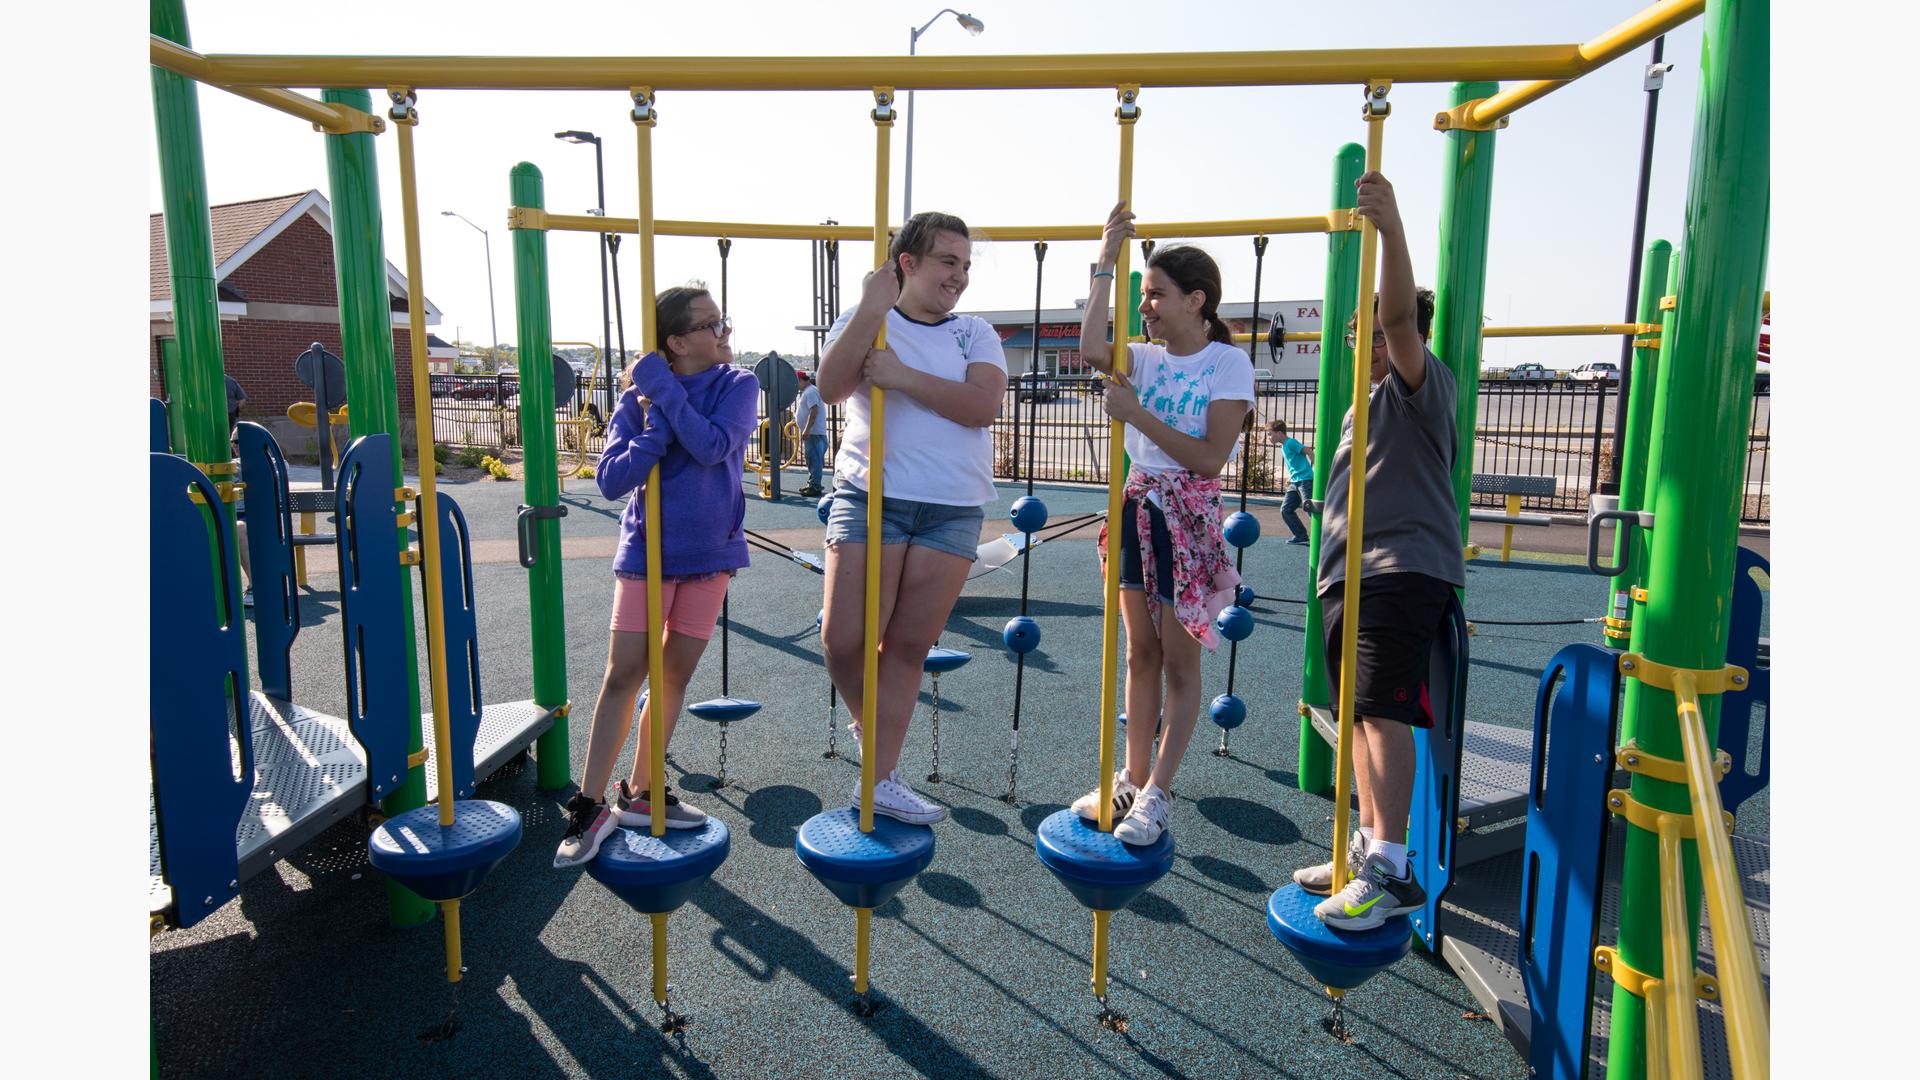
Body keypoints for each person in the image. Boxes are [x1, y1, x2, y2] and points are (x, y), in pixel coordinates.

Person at [1290, 171, 1464, 932]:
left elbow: (1397, 317)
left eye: (1372, 332)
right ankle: (1368, 848)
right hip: (1349, 576)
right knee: (1357, 714)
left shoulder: (1416, 387)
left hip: (1399, 570)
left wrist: (1390, 229)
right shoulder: (1362, 405)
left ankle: (1392, 867)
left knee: (1382, 710)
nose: (1360, 341)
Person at [554, 284, 759, 867]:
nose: (723, 332)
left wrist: (664, 393)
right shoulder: (636, 400)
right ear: (677, 341)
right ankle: (590, 804)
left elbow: (713, 446)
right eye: (711, 324)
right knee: (624, 674)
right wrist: (652, 433)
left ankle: (642, 791)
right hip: (648, 555)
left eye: (722, 320)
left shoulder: (737, 385)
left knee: (672, 677)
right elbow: (611, 480)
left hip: (710, 555)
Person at [815, 211, 1007, 825]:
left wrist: (901, 376)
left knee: (905, 647)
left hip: (952, 505)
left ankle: (879, 779)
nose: (959, 276)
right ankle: (876, 735)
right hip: (873, 494)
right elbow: (829, 387)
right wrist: (873, 309)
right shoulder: (866, 319)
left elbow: (981, 406)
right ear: (909, 262)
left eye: (965, 265)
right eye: (948, 261)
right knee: (842, 639)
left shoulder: (974, 332)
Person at [1073, 202, 1252, 846]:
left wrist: (1137, 415)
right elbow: (1090, 347)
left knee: (1179, 659)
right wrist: (1106, 259)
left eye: (1155, 295)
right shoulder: (1143, 358)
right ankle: (1131, 775)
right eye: (1143, 294)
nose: (1145, 306)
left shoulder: (1226, 364)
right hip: (1138, 509)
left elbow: (1208, 458)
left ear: (1195, 301)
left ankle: (1158, 793)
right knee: (1139, 651)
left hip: (1187, 517)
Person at [1273, 419, 1314, 544]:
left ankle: (1326, 534)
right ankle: (1301, 535)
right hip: (1294, 482)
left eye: (1270, 434)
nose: (1268, 438)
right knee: (1286, 510)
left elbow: (1308, 451)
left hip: (1305, 481)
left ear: (1279, 433)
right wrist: (1290, 477)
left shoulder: (1290, 443)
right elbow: (1293, 464)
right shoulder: (1284, 446)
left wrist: (1314, 465)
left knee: (1310, 509)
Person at [794, 369, 828, 497]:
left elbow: (814, 411)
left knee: (814, 460)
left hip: (814, 433)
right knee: (813, 459)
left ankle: (815, 486)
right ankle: (812, 483)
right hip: (814, 433)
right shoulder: (810, 391)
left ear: (801, 380)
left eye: (796, 382)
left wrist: (807, 430)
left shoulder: (810, 392)